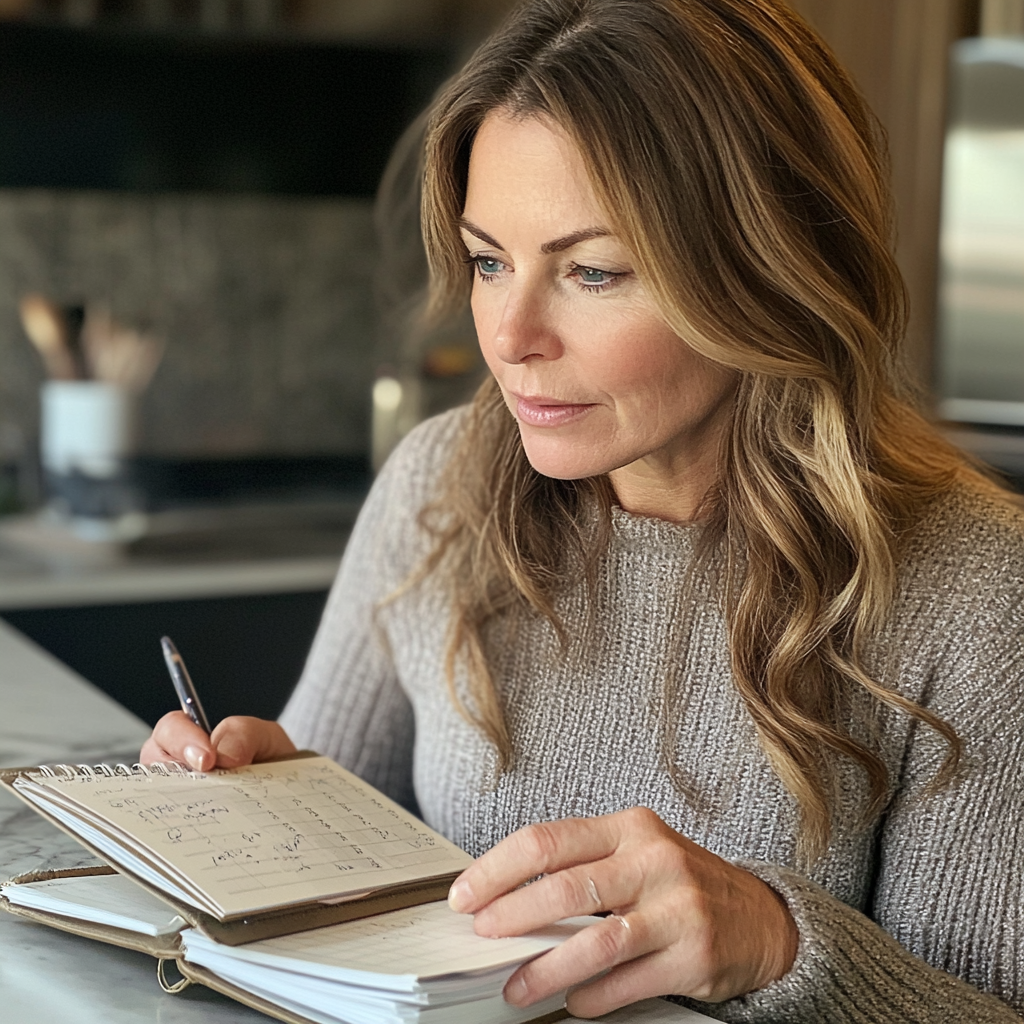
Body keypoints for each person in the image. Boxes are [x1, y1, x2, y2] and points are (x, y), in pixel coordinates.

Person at [141, 1, 1024, 1020]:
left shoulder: (977, 588)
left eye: (590, 270)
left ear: (768, 268)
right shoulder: (439, 483)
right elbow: (337, 829)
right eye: (487, 261)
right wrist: (257, 804)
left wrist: (780, 944)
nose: (509, 334)